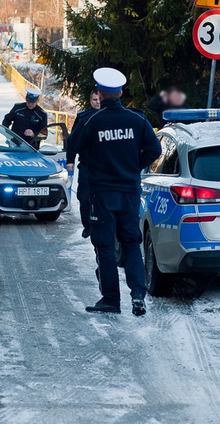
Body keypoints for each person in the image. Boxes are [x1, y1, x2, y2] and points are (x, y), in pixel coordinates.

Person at [67, 67, 161, 317]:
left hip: (103, 194)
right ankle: (138, 295)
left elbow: (73, 146)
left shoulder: (91, 121)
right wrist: (133, 166)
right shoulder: (138, 120)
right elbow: (155, 150)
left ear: (99, 93)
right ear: (120, 92)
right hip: (129, 192)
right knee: (131, 243)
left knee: (105, 247)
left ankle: (111, 299)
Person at [67, 89, 101, 238]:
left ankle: (101, 225)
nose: (97, 102)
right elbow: (72, 141)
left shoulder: (110, 117)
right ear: (90, 101)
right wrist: (70, 160)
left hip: (105, 165)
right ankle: (87, 225)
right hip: (87, 164)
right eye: (94, 100)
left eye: (99, 99)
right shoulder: (83, 118)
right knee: (84, 197)